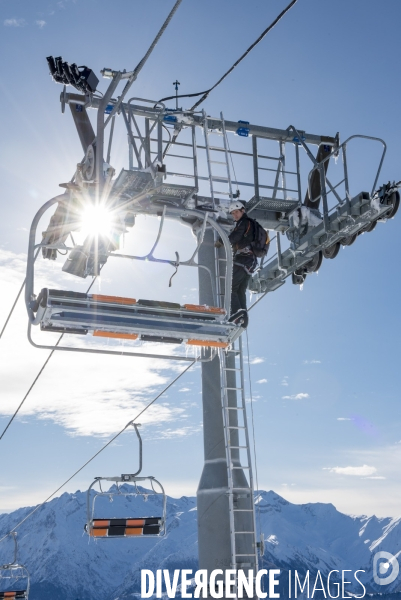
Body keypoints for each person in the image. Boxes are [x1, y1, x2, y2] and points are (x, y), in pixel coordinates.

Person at [215, 201, 257, 328]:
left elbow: (235, 236)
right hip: (250, 262)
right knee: (240, 291)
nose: (235, 215)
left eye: (237, 212)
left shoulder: (244, 223)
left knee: (231, 287)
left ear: (243, 211)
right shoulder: (250, 224)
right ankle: (243, 317)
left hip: (243, 260)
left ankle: (237, 315)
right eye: (233, 214)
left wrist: (221, 241)